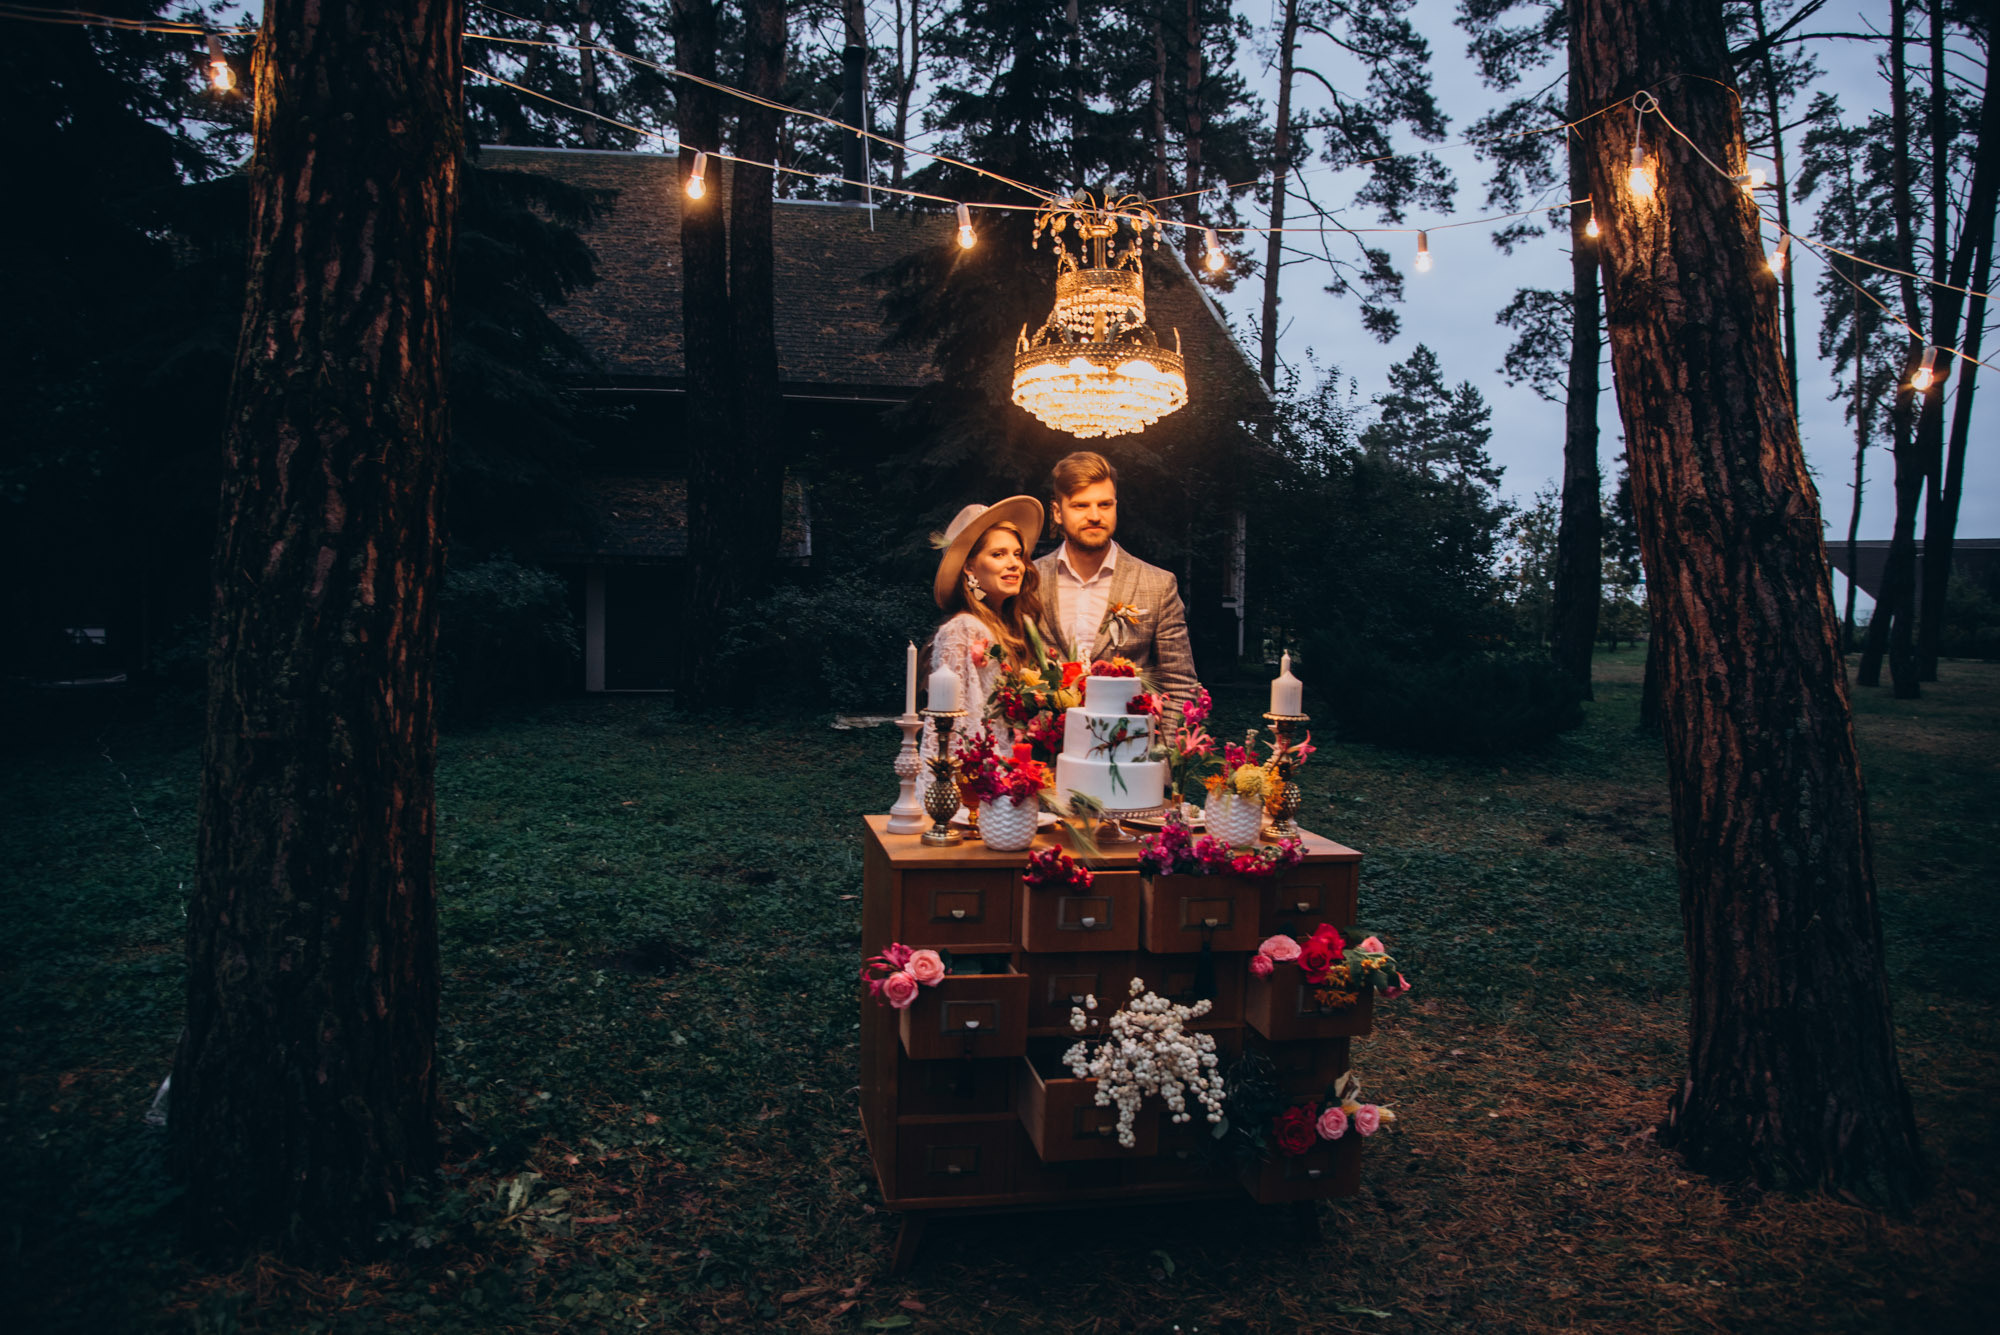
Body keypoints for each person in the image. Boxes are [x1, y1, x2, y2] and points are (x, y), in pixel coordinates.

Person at [1034, 451, 1200, 706]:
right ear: (1057, 512)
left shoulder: (1158, 585)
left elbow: (1180, 688)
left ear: (1115, 506)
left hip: (1130, 741)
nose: (1095, 516)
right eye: (1081, 505)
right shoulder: (1028, 581)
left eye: (1104, 504)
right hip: (1044, 743)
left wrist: (1160, 747)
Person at [920, 496, 1047, 795]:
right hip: (976, 786)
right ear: (970, 569)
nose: (1014, 563)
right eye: (999, 554)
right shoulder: (963, 629)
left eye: (1017, 553)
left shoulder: (1008, 629)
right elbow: (956, 729)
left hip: (1006, 782)